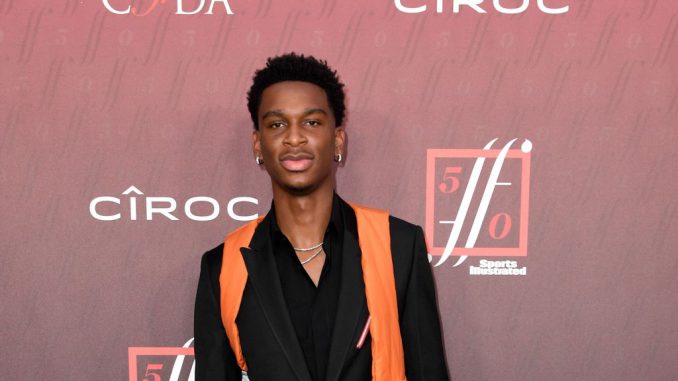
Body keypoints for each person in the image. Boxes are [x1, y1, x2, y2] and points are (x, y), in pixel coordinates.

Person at [194, 52, 449, 381]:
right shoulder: (224, 266)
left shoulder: (397, 246)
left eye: (312, 122)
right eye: (277, 124)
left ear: (338, 139)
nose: (295, 137)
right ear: (258, 145)